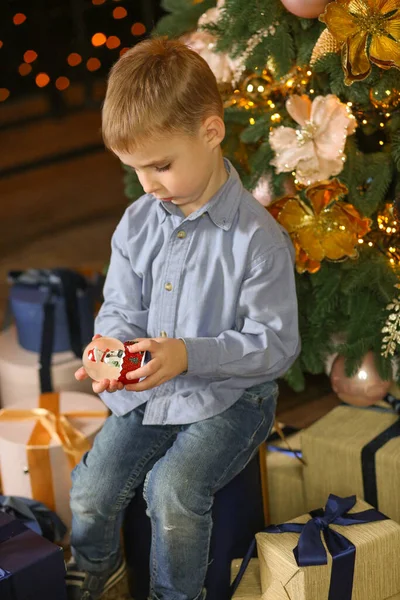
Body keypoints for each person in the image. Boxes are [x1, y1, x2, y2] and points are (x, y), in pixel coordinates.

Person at [67, 37, 300, 600]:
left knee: (171, 490)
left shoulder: (259, 241)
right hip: (152, 387)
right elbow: (122, 305)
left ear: (211, 132)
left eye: (161, 166)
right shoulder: (140, 220)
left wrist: (190, 355)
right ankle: (99, 570)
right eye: (135, 169)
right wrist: (108, 346)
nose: (147, 185)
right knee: (90, 487)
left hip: (233, 397)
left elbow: (274, 345)